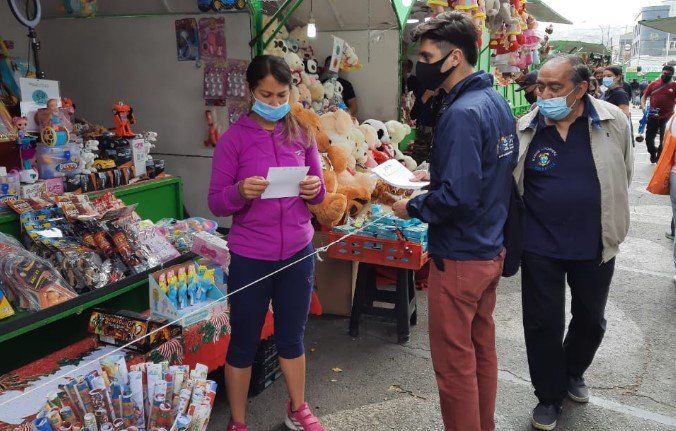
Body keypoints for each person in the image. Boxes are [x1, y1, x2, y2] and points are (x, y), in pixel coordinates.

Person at [391, 11, 518, 431]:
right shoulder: (494, 101)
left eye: (427, 55)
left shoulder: (461, 111)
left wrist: (411, 207)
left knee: (454, 365)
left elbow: (458, 197)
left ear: (455, 57)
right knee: (481, 349)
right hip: (489, 246)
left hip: (460, 254)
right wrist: (440, 170)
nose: (420, 64)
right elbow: (489, 169)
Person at [514, 54, 632, 430]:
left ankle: (572, 371)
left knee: (590, 320)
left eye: (554, 87)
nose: (542, 93)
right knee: (541, 323)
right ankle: (548, 395)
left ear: (580, 89)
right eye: (540, 86)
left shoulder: (615, 123)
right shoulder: (526, 127)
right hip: (539, 245)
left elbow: (623, 175)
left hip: (594, 244)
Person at [208, 55, 326, 431]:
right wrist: (240, 191)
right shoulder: (233, 140)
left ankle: (298, 407)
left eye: (281, 95)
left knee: (292, 338)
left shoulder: (302, 134)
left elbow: (321, 195)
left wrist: (313, 189)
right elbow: (215, 201)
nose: (275, 103)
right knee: (243, 342)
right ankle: (238, 422)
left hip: (297, 252)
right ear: (250, 91)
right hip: (250, 256)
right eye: (266, 95)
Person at [640, 65, 676, 162]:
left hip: (667, 117)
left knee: (663, 140)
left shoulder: (674, 85)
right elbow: (644, 97)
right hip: (652, 116)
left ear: (672, 75)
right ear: (662, 72)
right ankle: (652, 151)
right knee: (649, 139)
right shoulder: (653, 84)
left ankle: (659, 158)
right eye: (664, 73)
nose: (665, 75)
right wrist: (643, 108)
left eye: (668, 74)